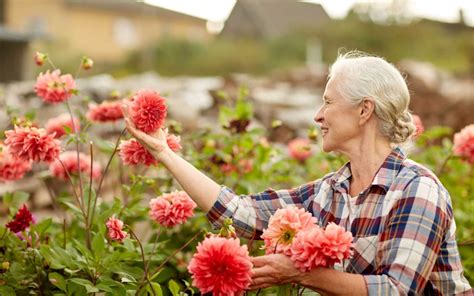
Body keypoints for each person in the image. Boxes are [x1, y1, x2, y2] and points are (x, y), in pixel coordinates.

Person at [122, 51, 472, 295]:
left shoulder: (418, 189)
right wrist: (163, 151)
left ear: (365, 110)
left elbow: (395, 291)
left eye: (328, 102)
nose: (317, 116)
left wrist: (302, 273)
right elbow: (241, 214)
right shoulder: (331, 191)